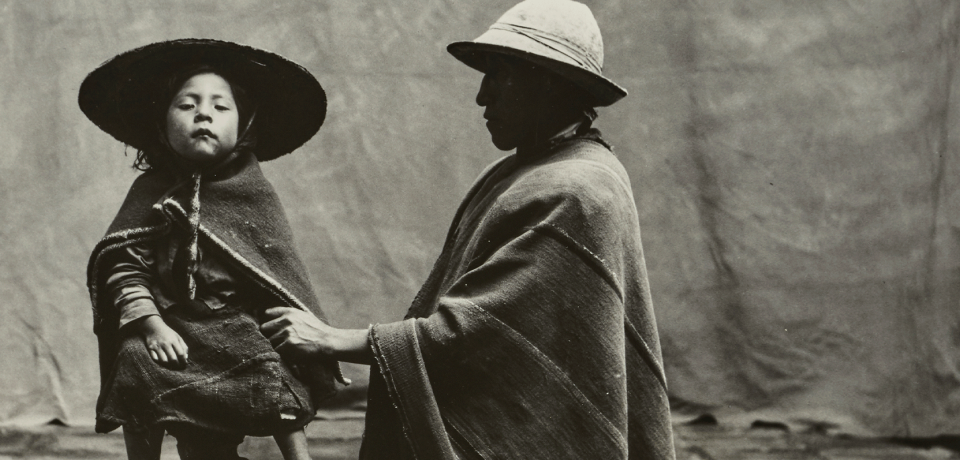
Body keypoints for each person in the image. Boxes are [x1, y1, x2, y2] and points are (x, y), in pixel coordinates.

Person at [259, 1, 676, 458]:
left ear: (549, 82)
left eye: (499, 74)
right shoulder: (524, 168)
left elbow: (481, 333)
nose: (482, 96)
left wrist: (331, 339)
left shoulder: (576, 189)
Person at [79, 39, 344, 460]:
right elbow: (124, 268)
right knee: (133, 360)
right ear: (161, 123)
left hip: (237, 327)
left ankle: (299, 457)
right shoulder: (150, 192)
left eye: (221, 107)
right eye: (187, 105)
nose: (204, 113)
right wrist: (151, 325)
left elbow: (275, 278)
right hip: (169, 328)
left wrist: (281, 331)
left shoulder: (253, 193)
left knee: (271, 363)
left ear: (245, 125)